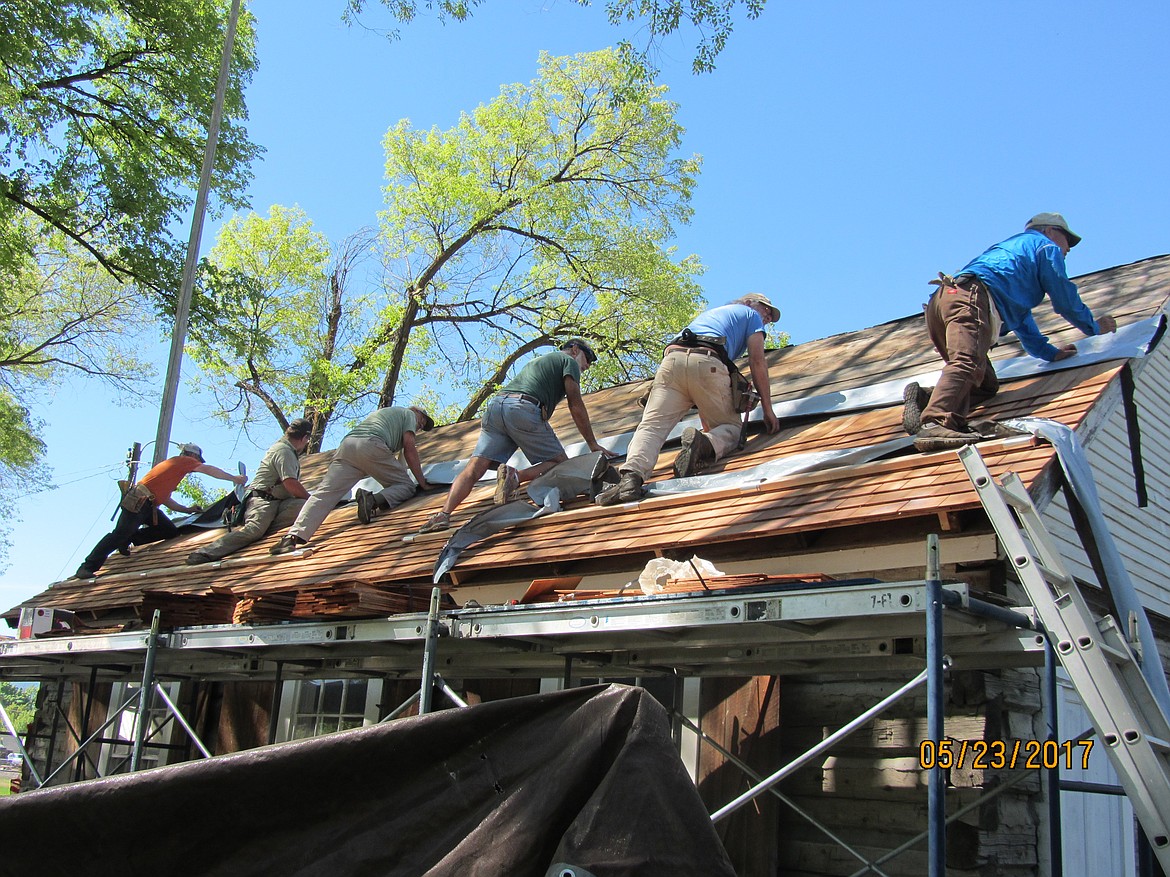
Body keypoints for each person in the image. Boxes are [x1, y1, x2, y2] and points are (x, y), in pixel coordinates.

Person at [905, 212, 1118, 453]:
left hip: (944, 302)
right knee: (966, 362)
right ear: (1049, 231)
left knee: (986, 386)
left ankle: (925, 400)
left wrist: (1049, 352)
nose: (1068, 248)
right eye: (1067, 239)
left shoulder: (1015, 258)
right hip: (970, 298)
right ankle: (936, 422)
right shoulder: (1045, 247)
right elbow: (1064, 297)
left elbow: (1021, 319)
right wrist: (1095, 327)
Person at [596, 294, 781, 506]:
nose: (767, 316)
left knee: (651, 426)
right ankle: (707, 444)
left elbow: (698, 386)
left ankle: (630, 478)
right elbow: (757, 361)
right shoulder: (750, 315)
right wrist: (768, 409)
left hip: (671, 362)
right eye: (765, 309)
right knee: (731, 428)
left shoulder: (711, 318)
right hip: (708, 360)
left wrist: (701, 436)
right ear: (749, 303)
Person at [418, 339, 616, 534]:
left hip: (496, 408)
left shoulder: (539, 362)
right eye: (587, 358)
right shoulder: (569, 361)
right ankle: (516, 477)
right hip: (522, 409)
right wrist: (592, 443)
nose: (587, 365)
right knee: (562, 465)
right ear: (574, 349)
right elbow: (575, 403)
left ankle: (443, 515)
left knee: (474, 468)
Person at [270, 406, 435, 554]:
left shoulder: (387, 416)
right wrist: (423, 483)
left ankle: (292, 537)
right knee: (407, 486)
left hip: (347, 447)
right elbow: (409, 450)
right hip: (371, 444)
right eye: (422, 421)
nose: (420, 426)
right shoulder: (408, 414)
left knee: (324, 494)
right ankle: (372, 500)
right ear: (416, 412)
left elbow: (399, 464)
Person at [74, 443, 246, 579]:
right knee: (119, 534)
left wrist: (187, 510)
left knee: (169, 531)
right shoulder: (183, 461)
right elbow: (208, 469)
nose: (198, 464)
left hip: (149, 507)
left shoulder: (173, 471)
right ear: (192, 455)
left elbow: (167, 501)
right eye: (198, 460)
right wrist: (234, 478)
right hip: (138, 502)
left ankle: (130, 538)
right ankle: (87, 567)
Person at [186, 419, 314, 565]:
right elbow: (290, 483)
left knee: (304, 507)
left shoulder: (287, 450)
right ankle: (205, 552)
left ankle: (276, 533)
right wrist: (315, 501)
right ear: (304, 438)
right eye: (307, 440)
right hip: (263, 501)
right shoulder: (283, 451)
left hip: (279, 501)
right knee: (255, 530)